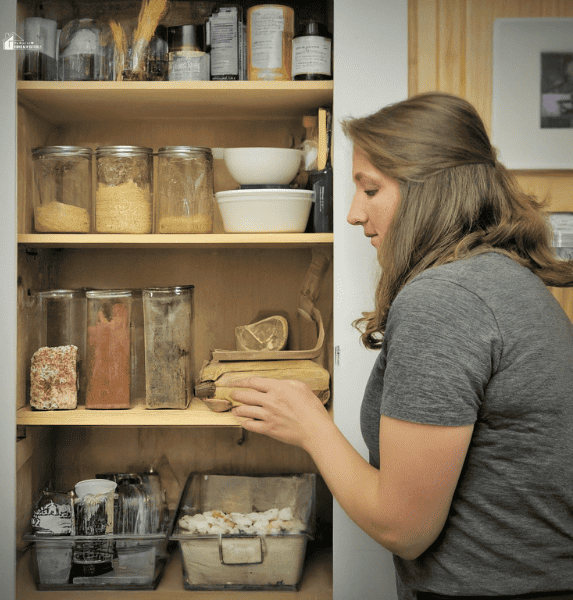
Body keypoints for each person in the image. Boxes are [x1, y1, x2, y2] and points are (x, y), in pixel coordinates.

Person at [231, 92, 573, 599]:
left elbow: (403, 529)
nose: (351, 213)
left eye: (370, 189)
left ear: (429, 191)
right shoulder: (502, 277)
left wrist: (310, 425)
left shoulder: (446, 298)